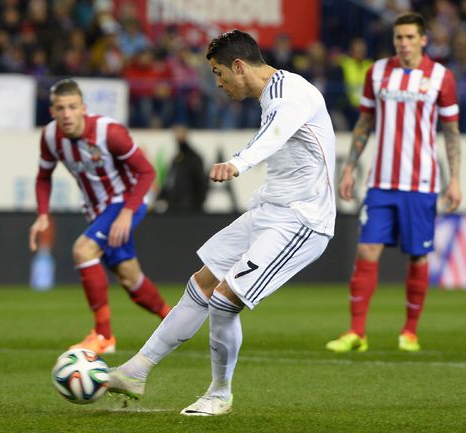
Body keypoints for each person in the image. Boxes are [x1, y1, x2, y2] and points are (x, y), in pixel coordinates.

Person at [107, 30, 336, 416]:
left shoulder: (291, 94)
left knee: (225, 300)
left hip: (302, 219)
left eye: (218, 72)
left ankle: (219, 394)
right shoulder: (273, 94)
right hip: (270, 210)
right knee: (202, 282)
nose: (217, 82)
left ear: (239, 66)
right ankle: (136, 371)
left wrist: (237, 162)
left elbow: (274, 135)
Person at [326, 12, 461, 354]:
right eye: (399, 37)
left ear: (423, 40)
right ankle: (357, 331)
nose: (404, 43)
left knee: (418, 257)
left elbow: (451, 131)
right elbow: (364, 122)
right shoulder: (377, 72)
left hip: (421, 184)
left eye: (410, 37)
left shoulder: (441, 77)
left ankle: (410, 332)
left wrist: (455, 179)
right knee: (366, 250)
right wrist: (349, 168)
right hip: (381, 183)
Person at [28, 79, 171, 355]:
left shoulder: (109, 133)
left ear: (83, 108)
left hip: (126, 201)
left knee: (83, 251)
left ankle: (104, 336)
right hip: (97, 210)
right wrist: (42, 214)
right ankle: (174, 320)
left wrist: (127, 212)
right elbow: (43, 176)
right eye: (61, 108)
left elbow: (147, 172)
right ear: (52, 111)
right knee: (129, 277)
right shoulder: (50, 137)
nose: (67, 114)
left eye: (72, 107)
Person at [155, 125, 208, 212]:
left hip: (189, 207)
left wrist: (198, 205)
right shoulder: (176, 158)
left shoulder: (194, 158)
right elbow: (169, 181)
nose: (177, 136)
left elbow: (201, 182)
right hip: (173, 206)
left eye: (180, 133)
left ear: (186, 135)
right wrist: (160, 198)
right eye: (176, 133)